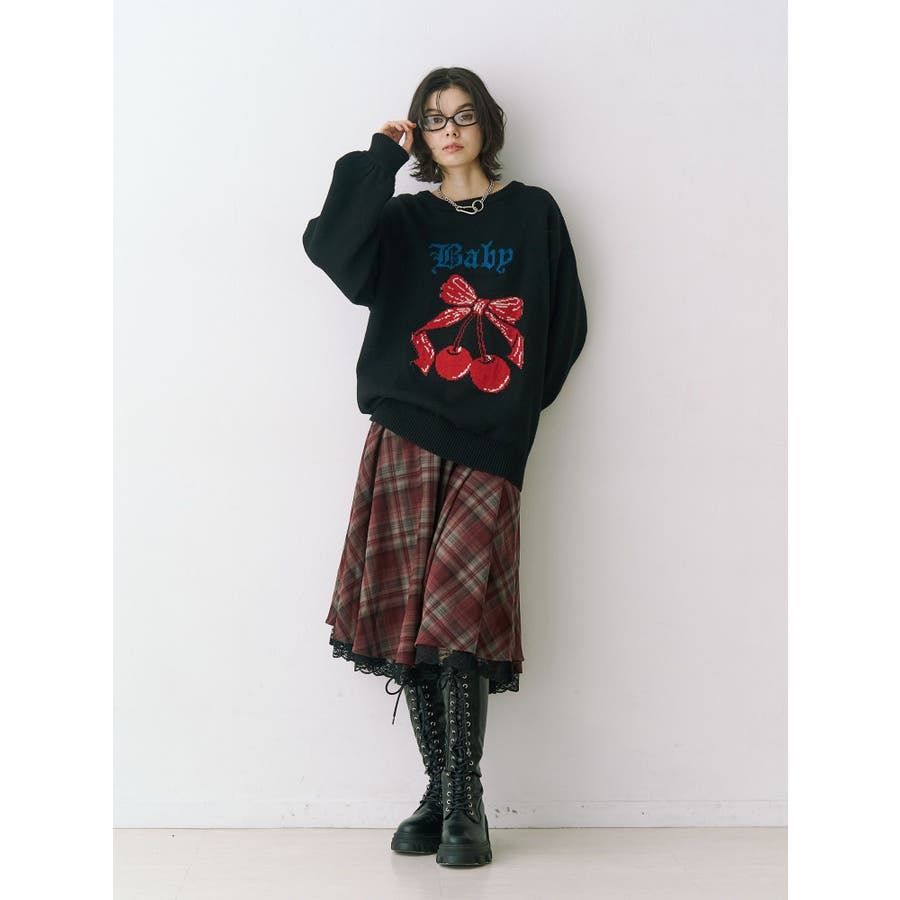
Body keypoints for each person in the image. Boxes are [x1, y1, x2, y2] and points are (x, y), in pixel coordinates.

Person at [302, 66, 588, 868]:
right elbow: (330, 248)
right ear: (421, 134)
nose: (450, 130)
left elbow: (565, 326)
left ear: (486, 124)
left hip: (489, 441)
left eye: (463, 115)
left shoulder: (534, 212)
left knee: (456, 618)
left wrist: (511, 412)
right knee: (414, 622)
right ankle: (444, 795)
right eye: (434, 119)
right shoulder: (402, 218)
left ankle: (463, 799)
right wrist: (376, 160)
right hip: (404, 430)